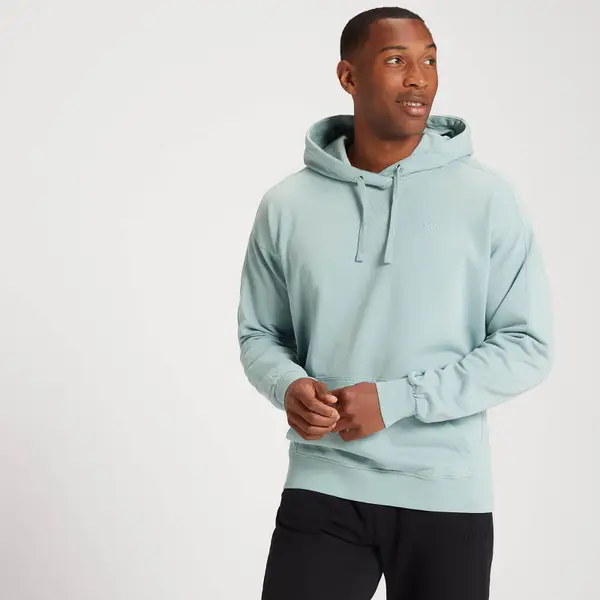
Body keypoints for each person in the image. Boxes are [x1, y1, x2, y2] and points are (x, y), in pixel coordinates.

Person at [236, 6, 554, 600]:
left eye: (430, 61)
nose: (419, 78)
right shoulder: (286, 205)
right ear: (349, 77)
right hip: (324, 482)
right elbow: (261, 334)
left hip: (446, 489)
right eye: (396, 60)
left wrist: (400, 399)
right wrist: (287, 384)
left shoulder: (487, 199)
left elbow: (527, 345)